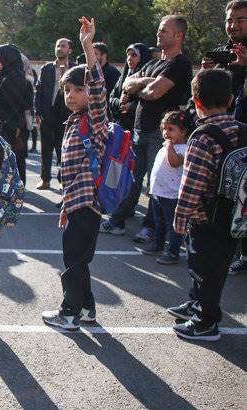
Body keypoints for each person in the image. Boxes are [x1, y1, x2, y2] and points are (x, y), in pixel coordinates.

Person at [41, 16, 108, 331]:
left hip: (88, 204)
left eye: (77, 89)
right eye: (66, 89)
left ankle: (69, 313)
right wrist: (66, 205)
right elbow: (71, 173)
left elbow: (97, 89)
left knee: (74, 260)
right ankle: (87, 309)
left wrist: (86, 46)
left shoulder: (94, 121)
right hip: (77, 202)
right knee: (79, 259)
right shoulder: (73, 122)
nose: (70, 95)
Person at [100, 15, 193, 241]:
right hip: (139, 130)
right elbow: (128, 84)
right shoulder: (153, 62)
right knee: (130, 178)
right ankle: (118, 220)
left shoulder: (180, 63)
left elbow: (154, 92)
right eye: (159, 30)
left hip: (162, 135)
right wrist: (145, 82)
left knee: (156, 185)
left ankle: (151, 228)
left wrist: (142, 84)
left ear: (178, 35)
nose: (159, 34)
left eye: (164, 31)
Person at [169, 69, 241, 341]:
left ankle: (206, 320)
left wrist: (180, 215)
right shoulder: (241, 129)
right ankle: (196, 303)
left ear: (196, 102)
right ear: (231, 99)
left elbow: (192, 183)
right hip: (234, 214)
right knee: (215, 266)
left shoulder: (203, 137)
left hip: (205, 217)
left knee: (204, 268)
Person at [203, 0, 247, 275]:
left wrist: (244, 67)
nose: (233, 25)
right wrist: (208, 71)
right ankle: (230, 250)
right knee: (225, 196)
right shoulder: (223, 52)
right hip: (223, 138)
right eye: (230, 20)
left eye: (240, 19)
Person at [136, 111, 188, 264]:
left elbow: (174, 162)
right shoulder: (164, 147)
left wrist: (170, 147)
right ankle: (158, 244)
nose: (166, 133)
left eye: (171, 129)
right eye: (164, 129)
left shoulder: (183, 149)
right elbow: (157, 169)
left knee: (172, 225)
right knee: (159, 222)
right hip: (158, 192)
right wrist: (151, 186)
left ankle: (173, 252)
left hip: (172, 195)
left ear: (183, 131)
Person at [0, 44, 32, 184]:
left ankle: (14, 195)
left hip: (12, 127)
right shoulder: (1, 75)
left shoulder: (15, 76)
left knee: (12, 162)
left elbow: (9, 102)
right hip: (1, 126)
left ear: (7, 58)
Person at [35, 38, 76, 189]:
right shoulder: (47, 68)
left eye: (63, 46)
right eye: (58, 45)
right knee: (45, 149)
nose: (59, 48)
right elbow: (38, 91)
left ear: (69, 50)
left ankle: (62, 179)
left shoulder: (75, 69)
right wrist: (38, 111)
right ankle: (45, 179)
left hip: (66, 115)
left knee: (63, 149)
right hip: (47, 113)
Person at [109, 43, 152, 131]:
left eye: (134, 55)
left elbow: (150, 99)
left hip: (140, 127)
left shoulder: (148, 78)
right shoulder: (122, 78)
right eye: (128, 55)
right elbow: (111, 98)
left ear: (142, 57)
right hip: (121, 126)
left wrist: (132, 106)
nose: (129, 58)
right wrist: (119, 102)